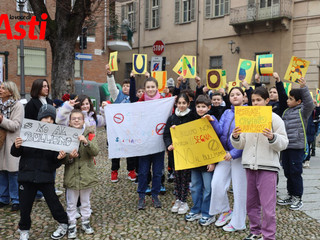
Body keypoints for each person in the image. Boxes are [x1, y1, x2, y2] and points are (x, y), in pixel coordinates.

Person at [231, 87, 289, 240]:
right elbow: (241, 144)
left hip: (268, 167)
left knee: (268, 207)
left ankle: (269, 236)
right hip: (250, 166)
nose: (255, 103)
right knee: (251, 204)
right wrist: (236, 136)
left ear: (266, 101)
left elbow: (284, 143)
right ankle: (255, 232)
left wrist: (272, 137)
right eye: (253, 101)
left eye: (259, 100)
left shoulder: (275, 119)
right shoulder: (247, 118)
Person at [11, 104, 68, 240]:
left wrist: (59, 158)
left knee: (53, 202)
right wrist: (16, 145)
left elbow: (55, 162)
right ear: (39, 119)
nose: (48, 121)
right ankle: (24, 229)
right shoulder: (28, 132)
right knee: (25, 207)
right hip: (26, 176)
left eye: (51, 119)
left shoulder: (55, 138)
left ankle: (63, 223)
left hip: (45, 176)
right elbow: (15, 153)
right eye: (45, 118)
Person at [209, 87, 247, 232]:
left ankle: (239, 222)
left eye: (238, 94)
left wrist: (234, 153)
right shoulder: (226, 112)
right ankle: (225, 211)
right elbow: (219, 131)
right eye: (232, 95)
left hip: (239, 156)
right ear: (229, 98)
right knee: (216, 184)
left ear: (244, 97)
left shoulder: (248, 113)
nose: (235, 97)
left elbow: (247, 137)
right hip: (224, 154)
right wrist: (212, 120)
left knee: (239, 190)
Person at [277, 78, 314, 210]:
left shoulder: (303, 111)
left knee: (295, 172)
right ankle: (290, 194)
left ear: (298, 101)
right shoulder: (286, 111)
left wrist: (304, 86)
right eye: (288, 98)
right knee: (287, 171)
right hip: (286, 146)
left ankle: (298, 197)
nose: (288, 100)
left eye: (291, 98)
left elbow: (310, 103)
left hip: (297, 147)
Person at [61, 109, 99, 239]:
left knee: (85, 202)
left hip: (86, 174)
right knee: (71, 203)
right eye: (74, 119)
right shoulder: (66, 135)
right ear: (70, 122)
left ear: (83, 121)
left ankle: (85, 222)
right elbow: (63, 159)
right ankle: (71, 224)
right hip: (71, 175)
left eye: (79, 118)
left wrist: (86, 142)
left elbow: (95, 151)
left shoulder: (90, 134)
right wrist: (69, 157)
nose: (76, 120)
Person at [184, 95, 216, 226]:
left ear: (209, 107)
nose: (201, 109)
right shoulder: (192, 120)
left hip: (208, 161)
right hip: (196, 160)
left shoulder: (213, 120)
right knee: (196, 187)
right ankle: (196, 209)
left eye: (203, 107)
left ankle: (207, 212)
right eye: (198, 106)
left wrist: (213, 161)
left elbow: (215, 143)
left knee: (208, 188)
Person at [136, 76, 166, 210]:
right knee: (143, 171)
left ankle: (155, 194)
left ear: (157, 88)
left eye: (153, 87)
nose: (150, 89)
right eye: (148, 87)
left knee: (158, 171)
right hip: (144, 144)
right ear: (144, 89)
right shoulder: (139, 103)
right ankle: (141, 195)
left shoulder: (164, 102)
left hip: (158, 144)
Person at [106, 65, 137, 183]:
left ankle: (131, 170)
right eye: (124, 85)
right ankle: (114, 171)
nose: (126, 87)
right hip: (116, 129)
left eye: (128, 86)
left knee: (131, 151)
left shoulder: (134, 98)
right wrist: (110, 75)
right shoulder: (117, 95)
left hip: (130, 130)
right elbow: (112, 87)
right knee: (116, 150)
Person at [163, 93, 193, 214]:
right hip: (175, 153)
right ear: (176, 104)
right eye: (179, 103)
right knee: (177, 177)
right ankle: (178, 199)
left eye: (184, 103)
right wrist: (168, 144)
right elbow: (166, 134)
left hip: (187, 153)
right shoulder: (172, 118)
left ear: (188, 104)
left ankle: (184, 200)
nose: (181, 105)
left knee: (185, 178)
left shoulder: (191, 116)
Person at [0, 81, 24, 211]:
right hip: (0, 142)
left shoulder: (17, 106)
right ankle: (3, 198)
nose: (0, 90)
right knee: (1, 171)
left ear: (10, 91)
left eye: (3, 88)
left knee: (13, 172)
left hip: (11, 143)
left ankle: (16, 199)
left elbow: (15, 125)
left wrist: (1, 120)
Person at [303, 99, 320, 168]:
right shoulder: (303, 109)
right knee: (303, 146)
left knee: (308, 146)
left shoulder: (313, 110)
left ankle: (307, 160)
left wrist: (317, 105)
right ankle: (303, 159)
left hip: (310, 130)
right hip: (304, 130)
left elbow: (318, 114)